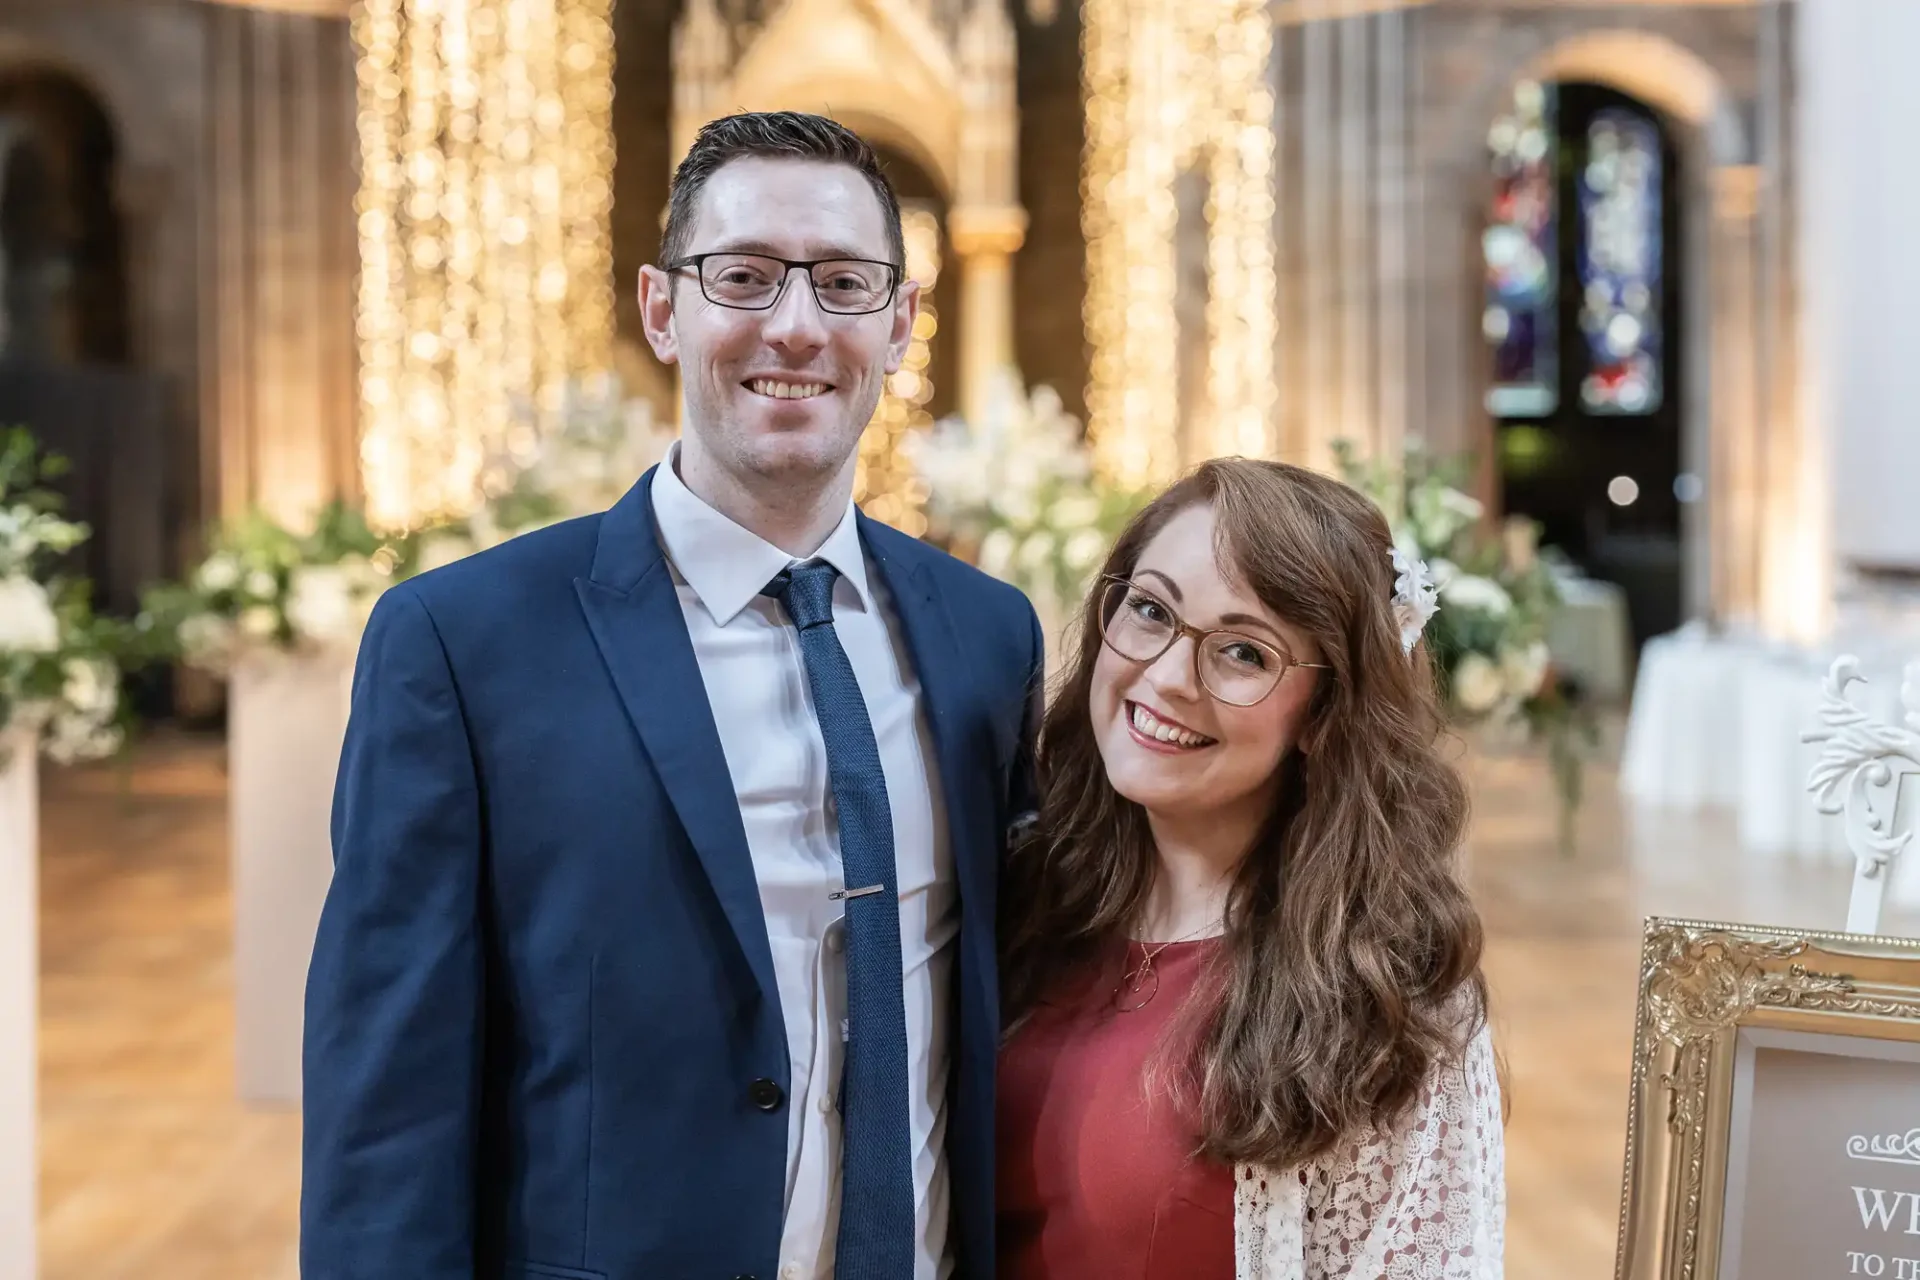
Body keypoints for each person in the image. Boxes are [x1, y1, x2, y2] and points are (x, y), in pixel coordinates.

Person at [301, 111, 1044, 1280]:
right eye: (742, 275)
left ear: (900, 324)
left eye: (846, 283)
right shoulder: (462, 642)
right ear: (663, 309)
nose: (795, 324)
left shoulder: (988, 636)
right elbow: (386, 1106)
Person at [996, 458, 1504, 1279]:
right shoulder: (1024, 893)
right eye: (1151, 610)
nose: (1165, 676)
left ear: (1326, 711)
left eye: (1241, 653)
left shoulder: (1392, 998)